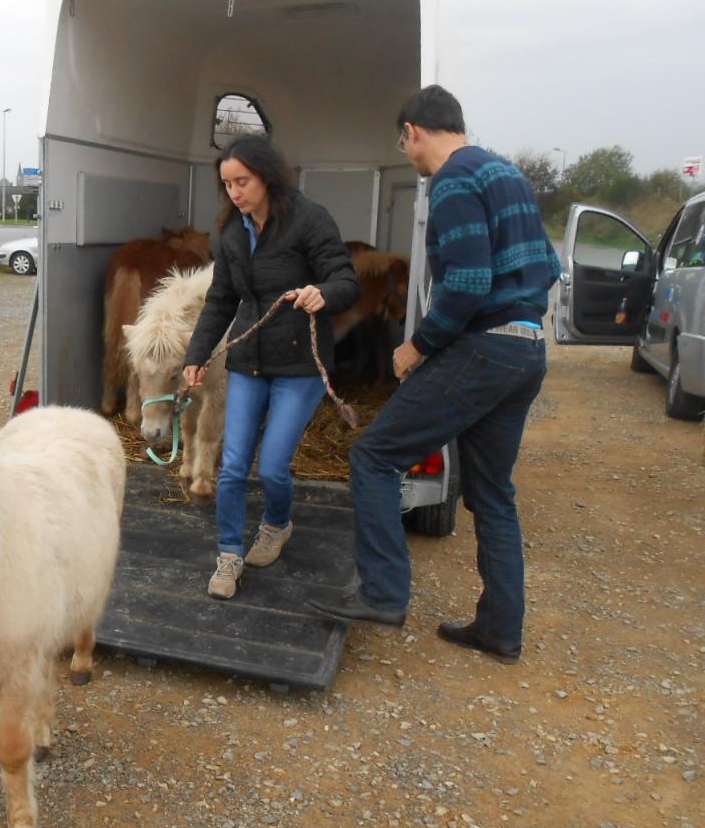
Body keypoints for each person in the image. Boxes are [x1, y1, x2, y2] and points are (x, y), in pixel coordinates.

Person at [306, 85, 557, 665]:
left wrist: (415, 347)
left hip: (483, 350)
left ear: (413, 130)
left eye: (404, 143)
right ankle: (499, 628)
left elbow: (466, 284)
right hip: (526, 351)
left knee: (373, 456)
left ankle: (382, 594)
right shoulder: (510, 174)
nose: (408, 156)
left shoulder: (454, 180)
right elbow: (547, 267)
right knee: (494, 495)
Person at [183, 135, 361, 600]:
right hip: (248, 361)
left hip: (300, 364)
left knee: (273, 466)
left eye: (242, 181)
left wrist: (325, 293)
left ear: (267, 176)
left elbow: (346, 278)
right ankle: (228, 554)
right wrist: (196, 356)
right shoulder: (228, 232)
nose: (235, 192)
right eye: (227, 184)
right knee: (234, 464)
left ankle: (277, 524)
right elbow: (221, 299)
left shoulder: (309, 219)